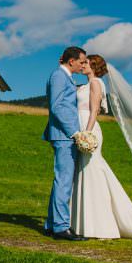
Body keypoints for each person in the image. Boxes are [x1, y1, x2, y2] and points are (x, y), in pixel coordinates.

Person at [70, 54, 132, 240]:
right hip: (82, 126)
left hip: (88, 127)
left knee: (92, 172)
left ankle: (100, 226)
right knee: (85, 173)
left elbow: (94, 110)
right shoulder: (86, 84)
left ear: (93, 66)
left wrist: (87, 132)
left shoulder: (95, 84)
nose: (82, 65)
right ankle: (84, 223)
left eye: (86, 63)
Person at [42, 46, 88, 240]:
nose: (84, 65)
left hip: (64, 134)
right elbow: (58, 106)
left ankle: (52, 224)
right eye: (82, 61)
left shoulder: (64, 76)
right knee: (64, 180)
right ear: (71, 61)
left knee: (62, 180)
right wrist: (74, 132)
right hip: (64, 135)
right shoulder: (59, 76)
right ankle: (61, 227)